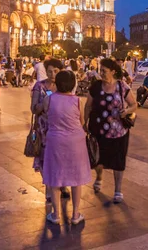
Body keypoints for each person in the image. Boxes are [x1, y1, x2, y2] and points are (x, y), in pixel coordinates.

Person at [84, 58, 137, 204]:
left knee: (118, 160)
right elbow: (88, 106)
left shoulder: (122, 86)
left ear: (113, 71)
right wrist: (84, 122)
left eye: (104, 71)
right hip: (98, 129)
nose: (101, 73)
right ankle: (99, 177)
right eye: (100, 70)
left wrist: (126, 111)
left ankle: (118, 190)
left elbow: (134, 105)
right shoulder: (95, 86)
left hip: (119, 131)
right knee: (97, 159)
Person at [42, 70, 90, 225]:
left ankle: (55, 215)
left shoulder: (48, 100)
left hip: (55, 141)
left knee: (55, 177)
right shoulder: (77, 101)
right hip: (75, 142)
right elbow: (82, 122)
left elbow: (45, 117)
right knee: (76, 178)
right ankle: (75, 214)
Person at [30, 59, 70, 200]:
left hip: (60, 128)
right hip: (43, 129)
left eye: (56, 71)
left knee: (61, 158)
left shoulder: (64, 87)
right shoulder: (39, 86)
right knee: (44, 159)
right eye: (49, 71)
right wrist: (45, 102)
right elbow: (33, 108)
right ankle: (48, 187)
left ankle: (63, 184)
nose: (52, 74)